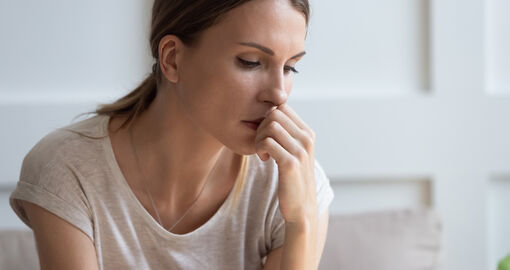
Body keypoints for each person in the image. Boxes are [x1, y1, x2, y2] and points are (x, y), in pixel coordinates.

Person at [9, 0, 334, 269]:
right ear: (172, 58)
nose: (279, 94)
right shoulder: (69, 171)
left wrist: (302, 221)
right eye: (250, 62)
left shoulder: (293, 183)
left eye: (291, 67)